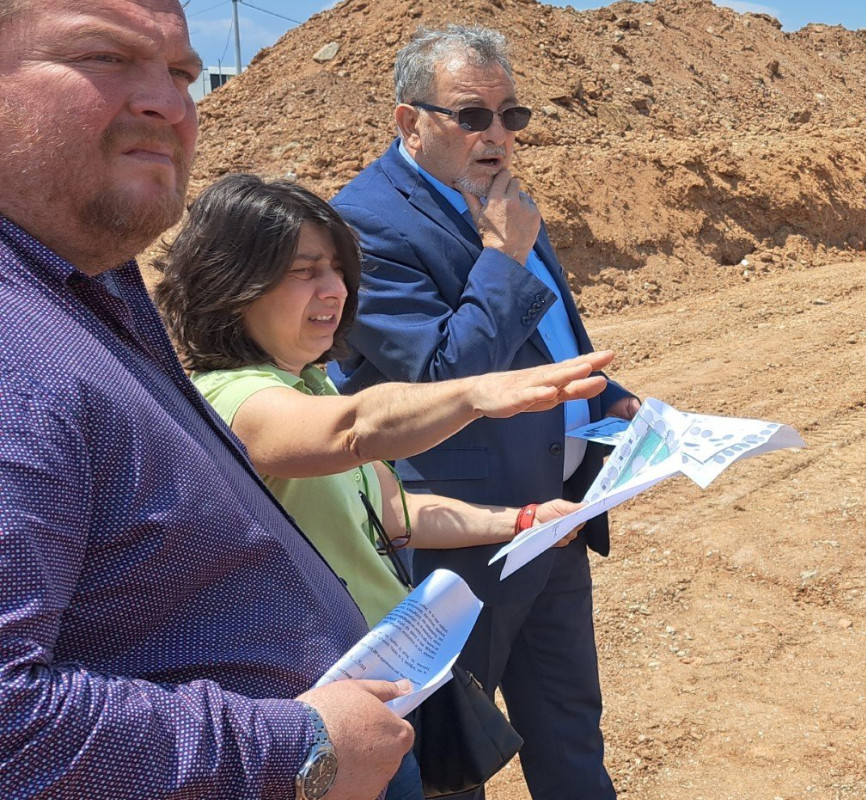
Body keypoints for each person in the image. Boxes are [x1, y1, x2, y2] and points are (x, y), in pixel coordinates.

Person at [0, 1, 406, 798]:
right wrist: (298, 747)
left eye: (184, 73)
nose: (170, 101)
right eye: (104, 56)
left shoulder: (84, 285)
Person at [154, 173, 613, 798]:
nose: (334, 290)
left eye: (338, 270)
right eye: (304, 271)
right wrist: (475, 394)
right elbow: (355, 428)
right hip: (324, 712)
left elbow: (394, 515)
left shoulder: (307, 383)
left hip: (381, 693)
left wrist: (521, 522)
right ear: (236, 284)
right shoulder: (233, 399)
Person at [331, 24, 639, 800]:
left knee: (570, 732)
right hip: (458, 545)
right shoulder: (366, 223)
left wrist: (610, 399)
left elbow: (547, 335)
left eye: (512, 116)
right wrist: (502, 256)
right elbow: (442, 377)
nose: (497, 135)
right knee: (454, 758)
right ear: (410, 122)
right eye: (473, 116)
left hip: (555, 520)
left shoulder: (502, 202)